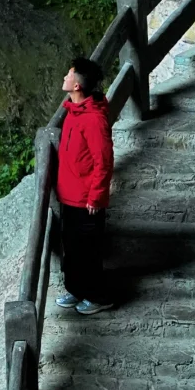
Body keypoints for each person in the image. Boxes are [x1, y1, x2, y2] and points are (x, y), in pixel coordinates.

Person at [54, 56, 114, 315]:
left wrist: (96, 196)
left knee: (88, 251)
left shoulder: (93, 120)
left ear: (77, 85)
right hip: (70, 196)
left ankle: (98, 297)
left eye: (69, 75)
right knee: (73, 248)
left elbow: (104, 161)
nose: (65, 78)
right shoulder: (73, 112)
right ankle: (76, 289)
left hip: (86, 200)